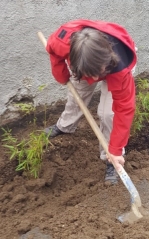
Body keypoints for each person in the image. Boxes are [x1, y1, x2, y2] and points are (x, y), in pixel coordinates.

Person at [44, 19, 137, 184]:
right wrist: (63, 76)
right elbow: (52, 51)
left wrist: (115, 150)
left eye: (97, 74)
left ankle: (111, 159)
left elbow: (124, 110)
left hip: (112, 65)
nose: (94, 80)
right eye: (90, 75)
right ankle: (65, 126)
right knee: (76, 97)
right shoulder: (63, 41)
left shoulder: (120, 68)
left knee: (108, 114)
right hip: (85, 64)